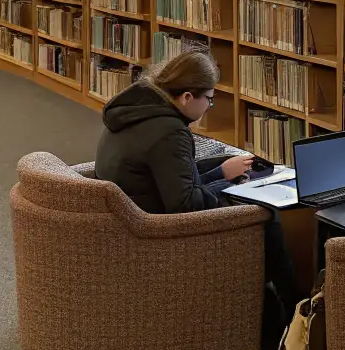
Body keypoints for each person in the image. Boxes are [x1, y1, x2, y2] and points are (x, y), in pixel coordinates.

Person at [95, 51, 300, 316]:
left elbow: (169, 180)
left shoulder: (133, 111)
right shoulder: (170, 132)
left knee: (233, 184)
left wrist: (220, 173)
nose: (209, 107)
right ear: (188, 97)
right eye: (209, 100)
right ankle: (294, 309)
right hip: (157, 233)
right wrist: (232, 186)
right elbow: (186, 205)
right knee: (264, 212)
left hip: (128, 221)